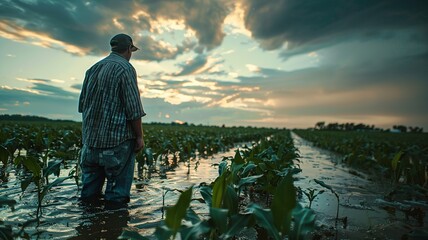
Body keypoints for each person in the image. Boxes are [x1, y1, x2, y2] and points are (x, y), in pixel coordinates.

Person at [78, 33, 146, 209]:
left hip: (90, 145)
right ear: (129, 49)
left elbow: (82, 106)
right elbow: (134, 109)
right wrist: (139, 137)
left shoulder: (92, 69)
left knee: (88, 199)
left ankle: (86, 231)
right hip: (117, 145)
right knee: (116, 200)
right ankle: (113, 229)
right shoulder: (125, 68)